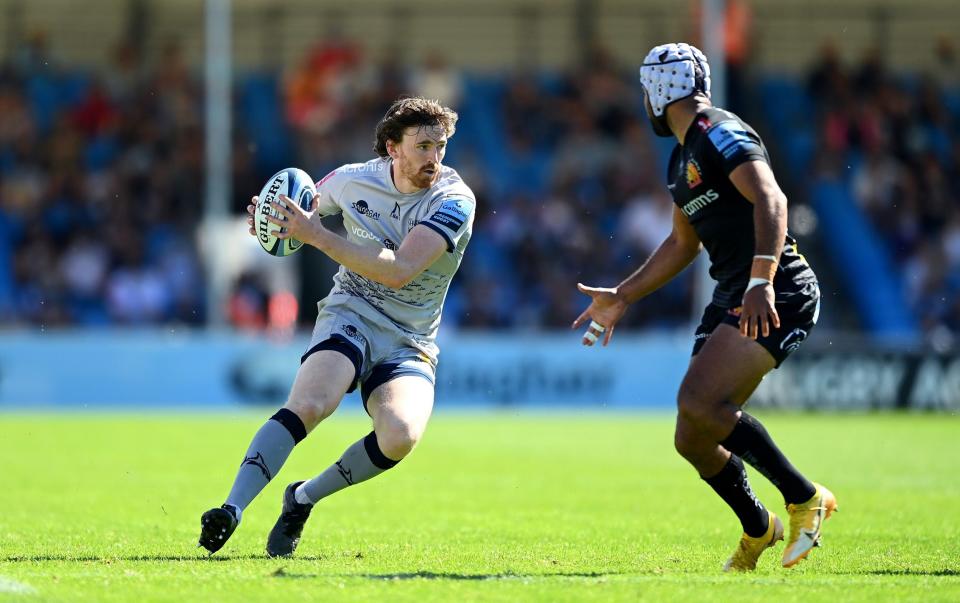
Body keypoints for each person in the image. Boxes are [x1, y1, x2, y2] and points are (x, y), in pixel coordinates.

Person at [572, 43, 837, 572]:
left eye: (646, 90)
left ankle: (805, 497)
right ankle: (760, 527)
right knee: (692, 436)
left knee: (699, 401)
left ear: (658, 90)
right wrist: (622, 296)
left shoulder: (718, 131)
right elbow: (680, 243)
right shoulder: (681, 157)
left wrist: (761, 278)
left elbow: (772, 199)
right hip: (732, 292)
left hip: (776, 287)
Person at [198, 97, 475, 557]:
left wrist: (316, 235)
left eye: (440, 147)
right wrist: (272, 218)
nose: (434, 158)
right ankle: (232, 508)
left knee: (401, 436)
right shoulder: (351, 180)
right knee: (311, 403)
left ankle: (302, 498)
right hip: (351, 311)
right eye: (423, 146)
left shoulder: (453, 200)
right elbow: (303, 210)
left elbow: (400, 269)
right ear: (393, 148)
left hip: (410, 339)